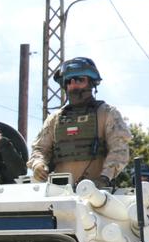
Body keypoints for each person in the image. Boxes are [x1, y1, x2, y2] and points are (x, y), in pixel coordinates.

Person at [26, 57, 131, 188]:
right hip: (59, 194)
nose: (74, 85)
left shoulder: (107, 113)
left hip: (97, 194)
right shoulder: (54, 119)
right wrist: (38, 164)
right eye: (69, 81)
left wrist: (104, 178)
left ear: (91, 83)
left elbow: (119, 148)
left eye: (80, 80)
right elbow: (40, 149)